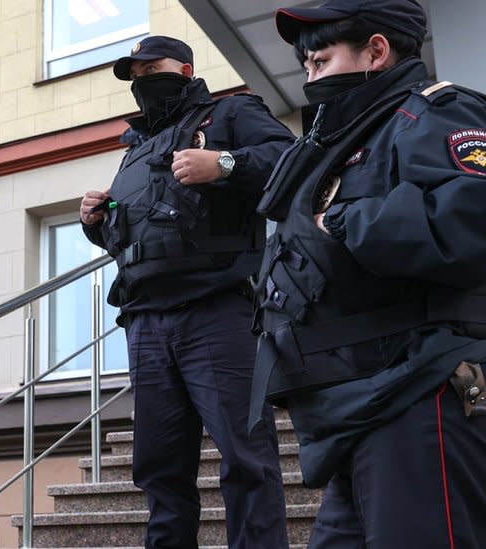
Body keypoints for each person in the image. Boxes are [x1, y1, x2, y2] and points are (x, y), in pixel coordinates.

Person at [253, 1, 486, 547]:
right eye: (305, 67)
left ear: (376, 51)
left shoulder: (436, 114)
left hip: (419, 393)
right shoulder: (345, 143)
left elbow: (472, 220)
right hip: (355, 408)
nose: (311, 77)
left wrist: (343, 219)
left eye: (322, 61)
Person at [80, 36, 295, 549]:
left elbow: (289, 163)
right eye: (135, 74)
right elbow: (136, 234)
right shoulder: (133, 152)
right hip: (145, 324)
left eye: (153, 67)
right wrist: (97, 220)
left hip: (216, 312)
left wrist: (222, 165)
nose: (143, 80)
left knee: (246, 459)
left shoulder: (231, 114)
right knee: (159, 469)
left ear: (186, 68)